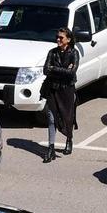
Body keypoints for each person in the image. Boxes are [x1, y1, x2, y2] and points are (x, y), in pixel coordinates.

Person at [40, 27, 79, 163]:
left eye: (61, 37)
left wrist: (54, 70)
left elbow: (71, 72)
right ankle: (51, 148)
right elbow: (46, 70)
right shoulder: (52, 53)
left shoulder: (74, 53)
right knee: (51, 118)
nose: (58, 39)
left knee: (67, 118)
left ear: (68, 40)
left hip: (67, 90)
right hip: (53, 89)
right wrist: (62, 70)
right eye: (57, 37)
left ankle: (69, 138)